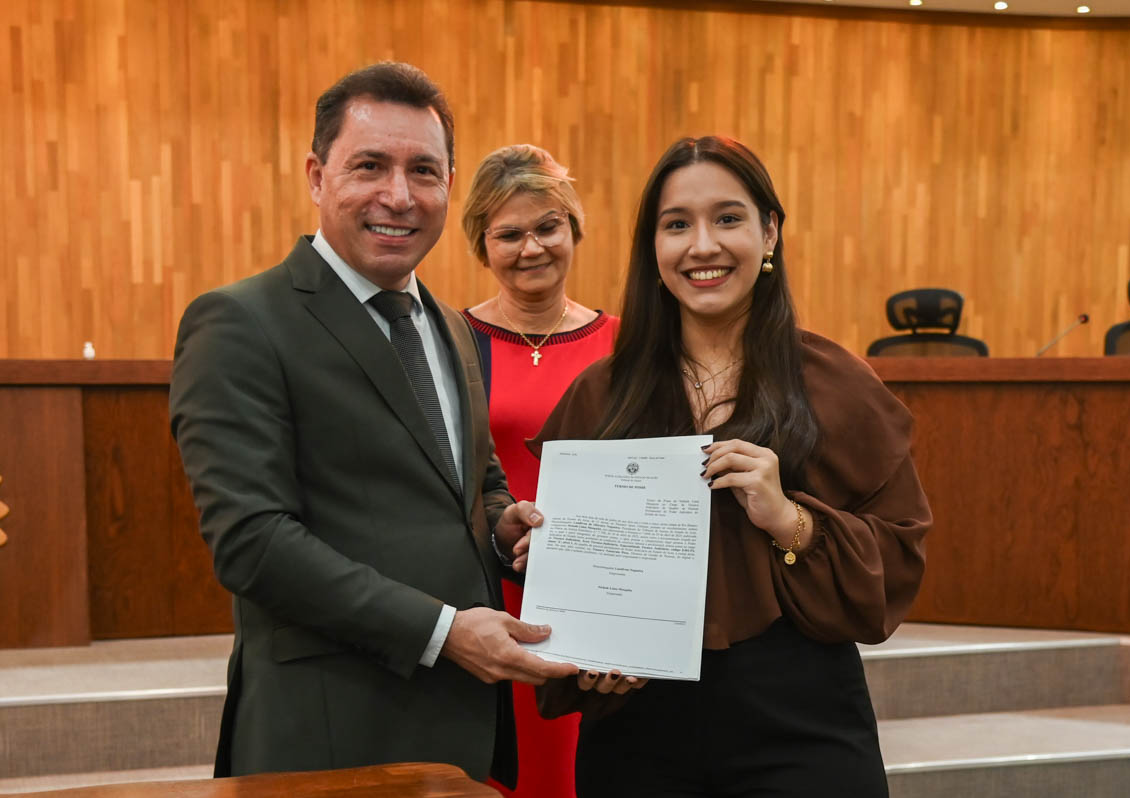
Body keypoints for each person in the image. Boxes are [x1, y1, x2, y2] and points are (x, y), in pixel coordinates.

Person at [168, 62, 576, 785]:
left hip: (462, 723)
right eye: (370, 166)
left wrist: (502, 522)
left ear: (449, 185)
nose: (399, 195)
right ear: (316, 176)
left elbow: (471, 477)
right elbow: (252, 542)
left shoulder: (450, 326)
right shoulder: (240, 323)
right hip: (332, 730)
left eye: (424, 170)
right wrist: (444, 632)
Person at [532, 136, 932, 797]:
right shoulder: (601, 395)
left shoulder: (836, 386)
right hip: (637, 727)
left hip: (800, 720)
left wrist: (791, 519)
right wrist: (579, 632)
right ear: (652, 247)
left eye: (727, 218)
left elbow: (899, 559)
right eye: (676, 225)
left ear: (769, 231)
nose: (702, 246)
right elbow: (564, 565)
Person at [459, 145, 619, 798]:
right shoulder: (451, 342)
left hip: (600, 600)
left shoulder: (625, 344)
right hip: (485, 605)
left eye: (548, 226)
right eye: (509, 234)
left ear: (574, 228)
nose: (532, 248)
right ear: (482, 245)